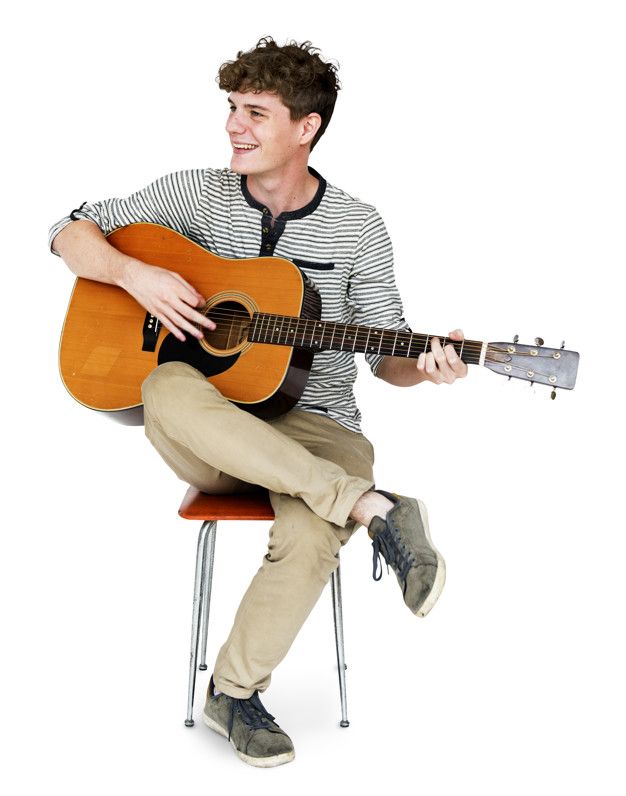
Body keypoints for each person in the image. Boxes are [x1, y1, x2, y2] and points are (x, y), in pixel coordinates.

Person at [49, 36, 468, 767]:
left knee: (311, 531)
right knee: (162, 385)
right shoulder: (194, 193)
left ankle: (232, 694)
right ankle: (372, 508)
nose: (233, 127)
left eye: (255, 113)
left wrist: (426, 369)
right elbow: (65, 231)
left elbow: (384, 356)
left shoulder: (358, 226)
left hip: (318, 424)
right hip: (211, 427)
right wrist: (132, 274)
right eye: (231, 109)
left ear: (305, 128)